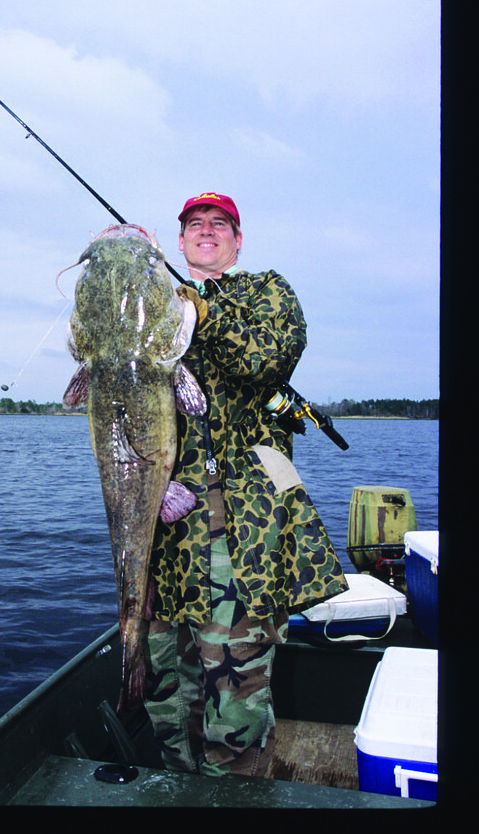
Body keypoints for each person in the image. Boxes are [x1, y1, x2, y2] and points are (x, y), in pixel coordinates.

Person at [145, 192, 348, 779]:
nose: (207, 231)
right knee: (168, 692)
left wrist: (204, 305)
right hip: (164, 530)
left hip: (241, 526)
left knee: (233, 703)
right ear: (179, 242)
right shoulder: (159, 304)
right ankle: (176, 793)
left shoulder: (267, 292)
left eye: (220, 224)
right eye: (194, 225)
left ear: (237, 240)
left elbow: (265, 359)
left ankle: (234, 801)